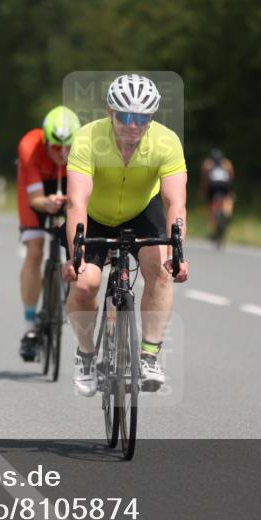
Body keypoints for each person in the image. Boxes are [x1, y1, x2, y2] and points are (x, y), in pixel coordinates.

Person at [63, 74, 190, 397]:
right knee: (84, 284)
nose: (134, 125)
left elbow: (176, 202)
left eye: (143, 118)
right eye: (126, 116)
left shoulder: (167, 142)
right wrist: (74, 256)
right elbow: (77, 201)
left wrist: (178, 254)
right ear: (110, 111)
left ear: (152, 117)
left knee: (161, 273)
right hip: (96, 217)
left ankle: (149, 355)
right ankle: (86, 354)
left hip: (141, 212)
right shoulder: (88, 139)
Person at [17, 105, 81, 361]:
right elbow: (34, 200)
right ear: (45, 140)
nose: (62, 154)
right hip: (36, 190)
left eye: (68, 147)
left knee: (80, 243)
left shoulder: (83, 147)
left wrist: (72, 205)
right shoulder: (29, 146)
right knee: (34, 252)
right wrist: (49, 204)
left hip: (69, 184)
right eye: (56, 147)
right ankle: (30, 326)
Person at [198, 148, 235, 241]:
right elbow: (231, 178)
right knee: (227, 200)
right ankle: (227, 214)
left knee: (211, 207)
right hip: (224, 186)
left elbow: (205, 180)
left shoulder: (207, 164)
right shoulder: (227, 163)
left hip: (213, 187)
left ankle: (214, 224)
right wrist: (230, 191)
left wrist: (203, 191)